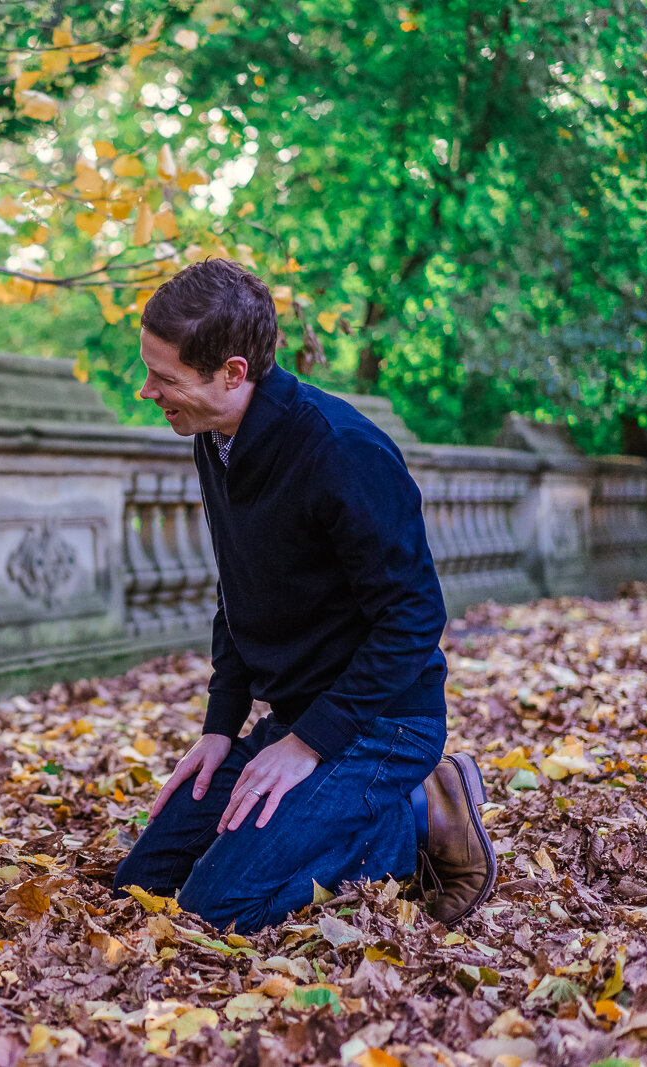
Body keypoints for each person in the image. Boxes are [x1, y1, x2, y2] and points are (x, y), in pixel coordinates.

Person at [114, 259, 494, 932]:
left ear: (233, 372)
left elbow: (414, 618)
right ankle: (339, 813)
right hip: (295, 718)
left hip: (385, 724)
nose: (148, 390)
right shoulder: (214, 438)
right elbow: (241, 590)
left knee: (216, 909)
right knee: (141, 886)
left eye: (164, 377)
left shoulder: (342, 452)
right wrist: (220, 728)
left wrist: (308, 745)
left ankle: (419, 814)